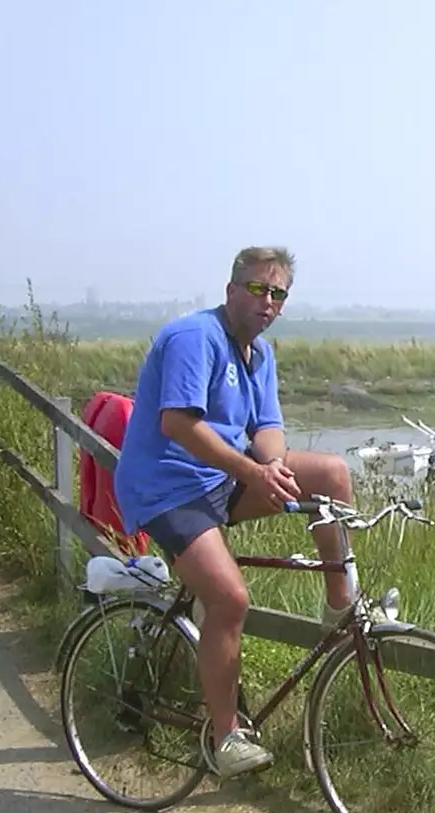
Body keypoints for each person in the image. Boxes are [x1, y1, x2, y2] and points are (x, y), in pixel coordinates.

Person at [114, 246, 355, 779]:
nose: (267, 301)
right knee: (229, 599)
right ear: (231, 291)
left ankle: (341, 610)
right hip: (166, 490)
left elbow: (267, 430)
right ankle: (226, 738)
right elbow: (176, 423)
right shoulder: (193, 339)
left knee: (333, 475)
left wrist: (274, 468)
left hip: (219, 480)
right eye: (257, 289)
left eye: (278, 293)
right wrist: (253, 474)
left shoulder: (260, 355)